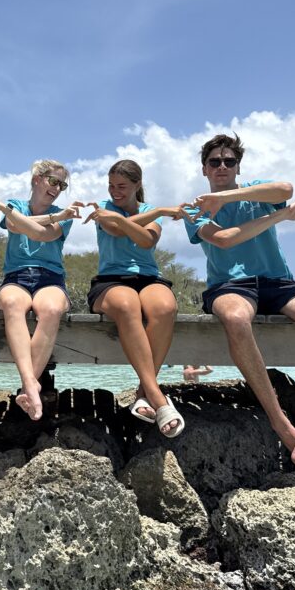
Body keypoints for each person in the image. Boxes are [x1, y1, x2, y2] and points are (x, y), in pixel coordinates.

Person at [183, 133, 295, 484]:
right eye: (214, 162)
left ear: (237, 167)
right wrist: (280, 217)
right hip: (229, 285)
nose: (221, 166)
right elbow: (224, 239)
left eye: (228, 161)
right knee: (235, 318)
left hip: (278, 282)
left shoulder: (253, 191)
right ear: (204, 169)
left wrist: (234, 196)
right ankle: (281, 424)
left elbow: (284, 189)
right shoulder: (194, 208)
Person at [83, 159, 185, 438]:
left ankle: (142, 393)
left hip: (149, 277)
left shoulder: (150, 212)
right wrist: (160, 210)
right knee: (127, 304)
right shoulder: (104, 209)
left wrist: (141, 215)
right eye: (111, 185)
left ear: (137, 185)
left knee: (166, 307)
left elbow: (146, 241)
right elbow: (115, 229)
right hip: (111, 280)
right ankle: (158, 397)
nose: (115, 191)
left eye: (122, 186)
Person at [0, 160, 81, 420]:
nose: (57, 188)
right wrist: (52, 217)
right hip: (16, 277)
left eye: (62, 185)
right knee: (12, 303)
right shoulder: (18, 206)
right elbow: (15, 225)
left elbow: (40, 234)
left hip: (51, 278)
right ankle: (32, 385)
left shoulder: (63, 216)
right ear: (37, 179)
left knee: (51, 308)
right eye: (53, 181)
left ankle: (27, 386)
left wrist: (6, 209)